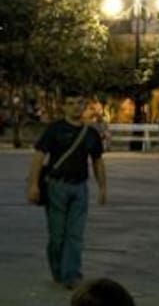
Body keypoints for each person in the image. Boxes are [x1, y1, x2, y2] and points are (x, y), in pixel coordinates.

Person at [27, 94, 107, 289]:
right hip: (57, 187)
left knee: (75, 234)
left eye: (79, 103)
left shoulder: (91, 133)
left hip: (80, 187)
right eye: (71, 103)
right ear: (63, 107)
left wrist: (103, 187)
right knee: (57, 235)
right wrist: (33, 184)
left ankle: (71, 275)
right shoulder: (54, 129)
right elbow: (39, 156)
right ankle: (58, 270)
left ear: (85, 106)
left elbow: (97, 161)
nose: (76, 107)